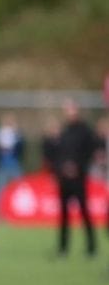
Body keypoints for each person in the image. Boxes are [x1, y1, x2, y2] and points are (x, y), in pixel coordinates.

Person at [52, 98, 98, 258]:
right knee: (64, 215)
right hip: (64, 180)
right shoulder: (64, 132)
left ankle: (92, 248)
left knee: (84, 212)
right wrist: (62, 168)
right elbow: (57, 154)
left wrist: (77, 167)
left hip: (78, 179)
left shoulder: (85, 131)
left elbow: (89, 153)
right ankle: (63, 248)